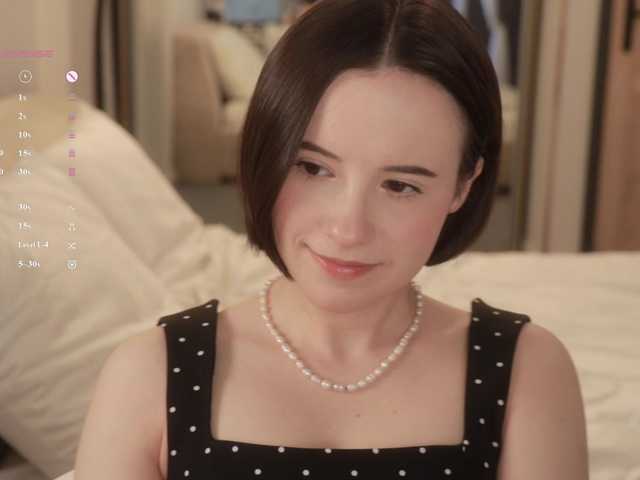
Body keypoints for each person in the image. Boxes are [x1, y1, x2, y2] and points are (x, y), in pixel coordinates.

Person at [73, 1, 589, 479]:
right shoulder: (149, 374)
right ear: (268, 150)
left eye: (400, 186)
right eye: (314, 168)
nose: (348, 228)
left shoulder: (526, 371)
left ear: (462, 186)